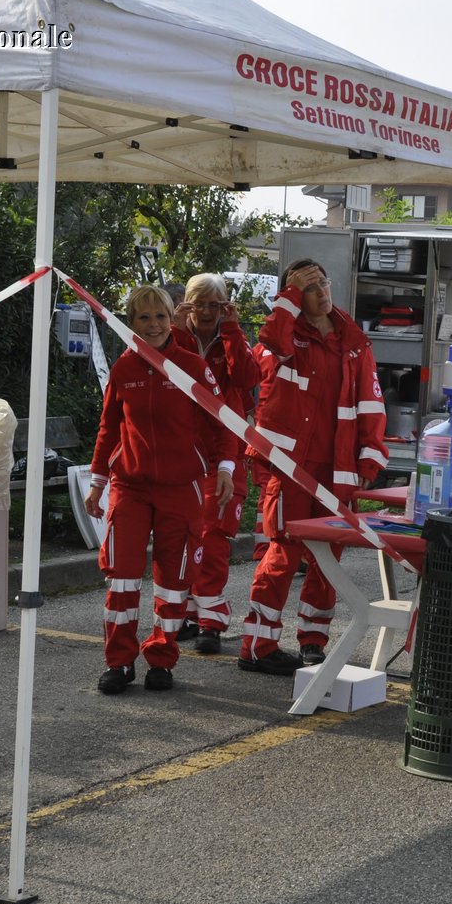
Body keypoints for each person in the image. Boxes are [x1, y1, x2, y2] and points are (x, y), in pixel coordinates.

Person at [84, 285, 237, 694]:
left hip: (180, 490)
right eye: (143, 318)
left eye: (159, 317)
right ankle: (118, 663)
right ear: (130, 322)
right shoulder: (123, 369)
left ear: (173, 319)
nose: (152, 325)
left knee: (173, 583)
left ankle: (161, 660)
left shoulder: (192, 366)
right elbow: (108, 429)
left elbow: (221, 422)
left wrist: (224, 467)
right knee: (121, 581)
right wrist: (98, 482)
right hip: (129, 489)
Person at [238, 259, 387, 676]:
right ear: (292, 298)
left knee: (328, 560)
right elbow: (268, 346)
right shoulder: (282, 337)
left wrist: (369, 457)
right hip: (289, 469)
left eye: (323, 283)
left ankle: (313, 643)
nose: (321, 293)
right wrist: (287, 297)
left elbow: (371, 403)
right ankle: (258, 644)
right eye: (309, 288)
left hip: (337, 471)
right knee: (281, 553)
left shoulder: (353, 341)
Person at [171, 273, 262, 654]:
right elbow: (163, 371)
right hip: (181, 451)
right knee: (183, 535)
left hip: (224, 452)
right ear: (185, 305)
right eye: (198, 303)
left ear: (226, 307)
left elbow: (247, 377)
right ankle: (189, 615)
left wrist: (232, 330)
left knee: (214, 534)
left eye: (215, 304)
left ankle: (211, 619)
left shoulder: (233, 338)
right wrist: (176, 330)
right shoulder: (172, 335)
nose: (206, 312)